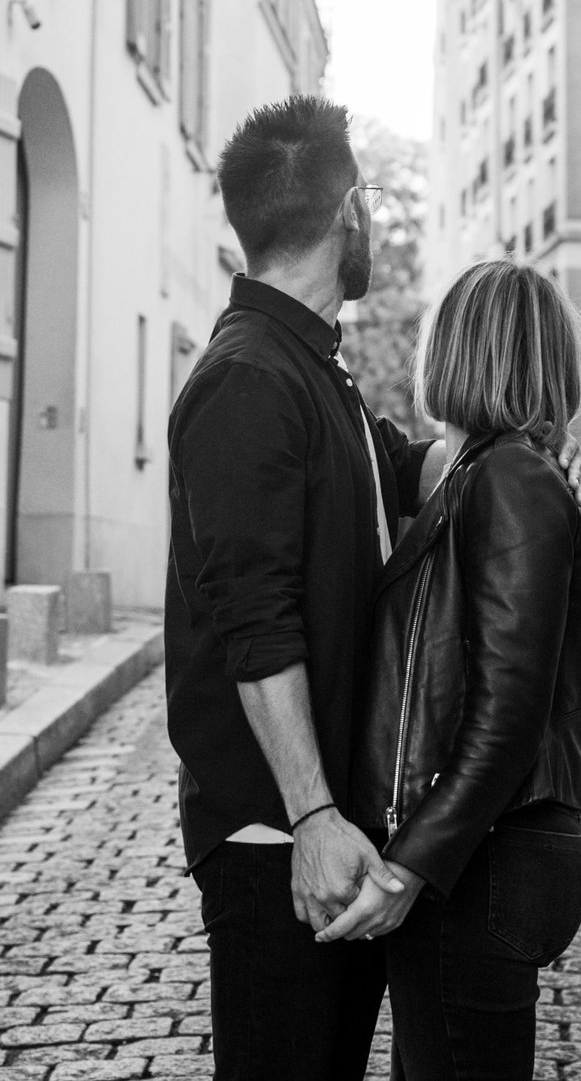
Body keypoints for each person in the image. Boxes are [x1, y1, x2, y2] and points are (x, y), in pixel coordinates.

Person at [164, 95, 442, 1081]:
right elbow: (253, 618)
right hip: (278, 838)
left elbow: (394, 472)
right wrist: (315, 817)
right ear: (347, 208)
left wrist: (507, 449)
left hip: (325, 827)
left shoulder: (311, 367)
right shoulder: (248, 378)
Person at [318, 259, 581, 1079]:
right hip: (477, 855)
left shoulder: (511, 480)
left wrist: (410, 864)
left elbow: (507, 715)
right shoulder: (488, 473)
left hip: (483, 862)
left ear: (458, 352)